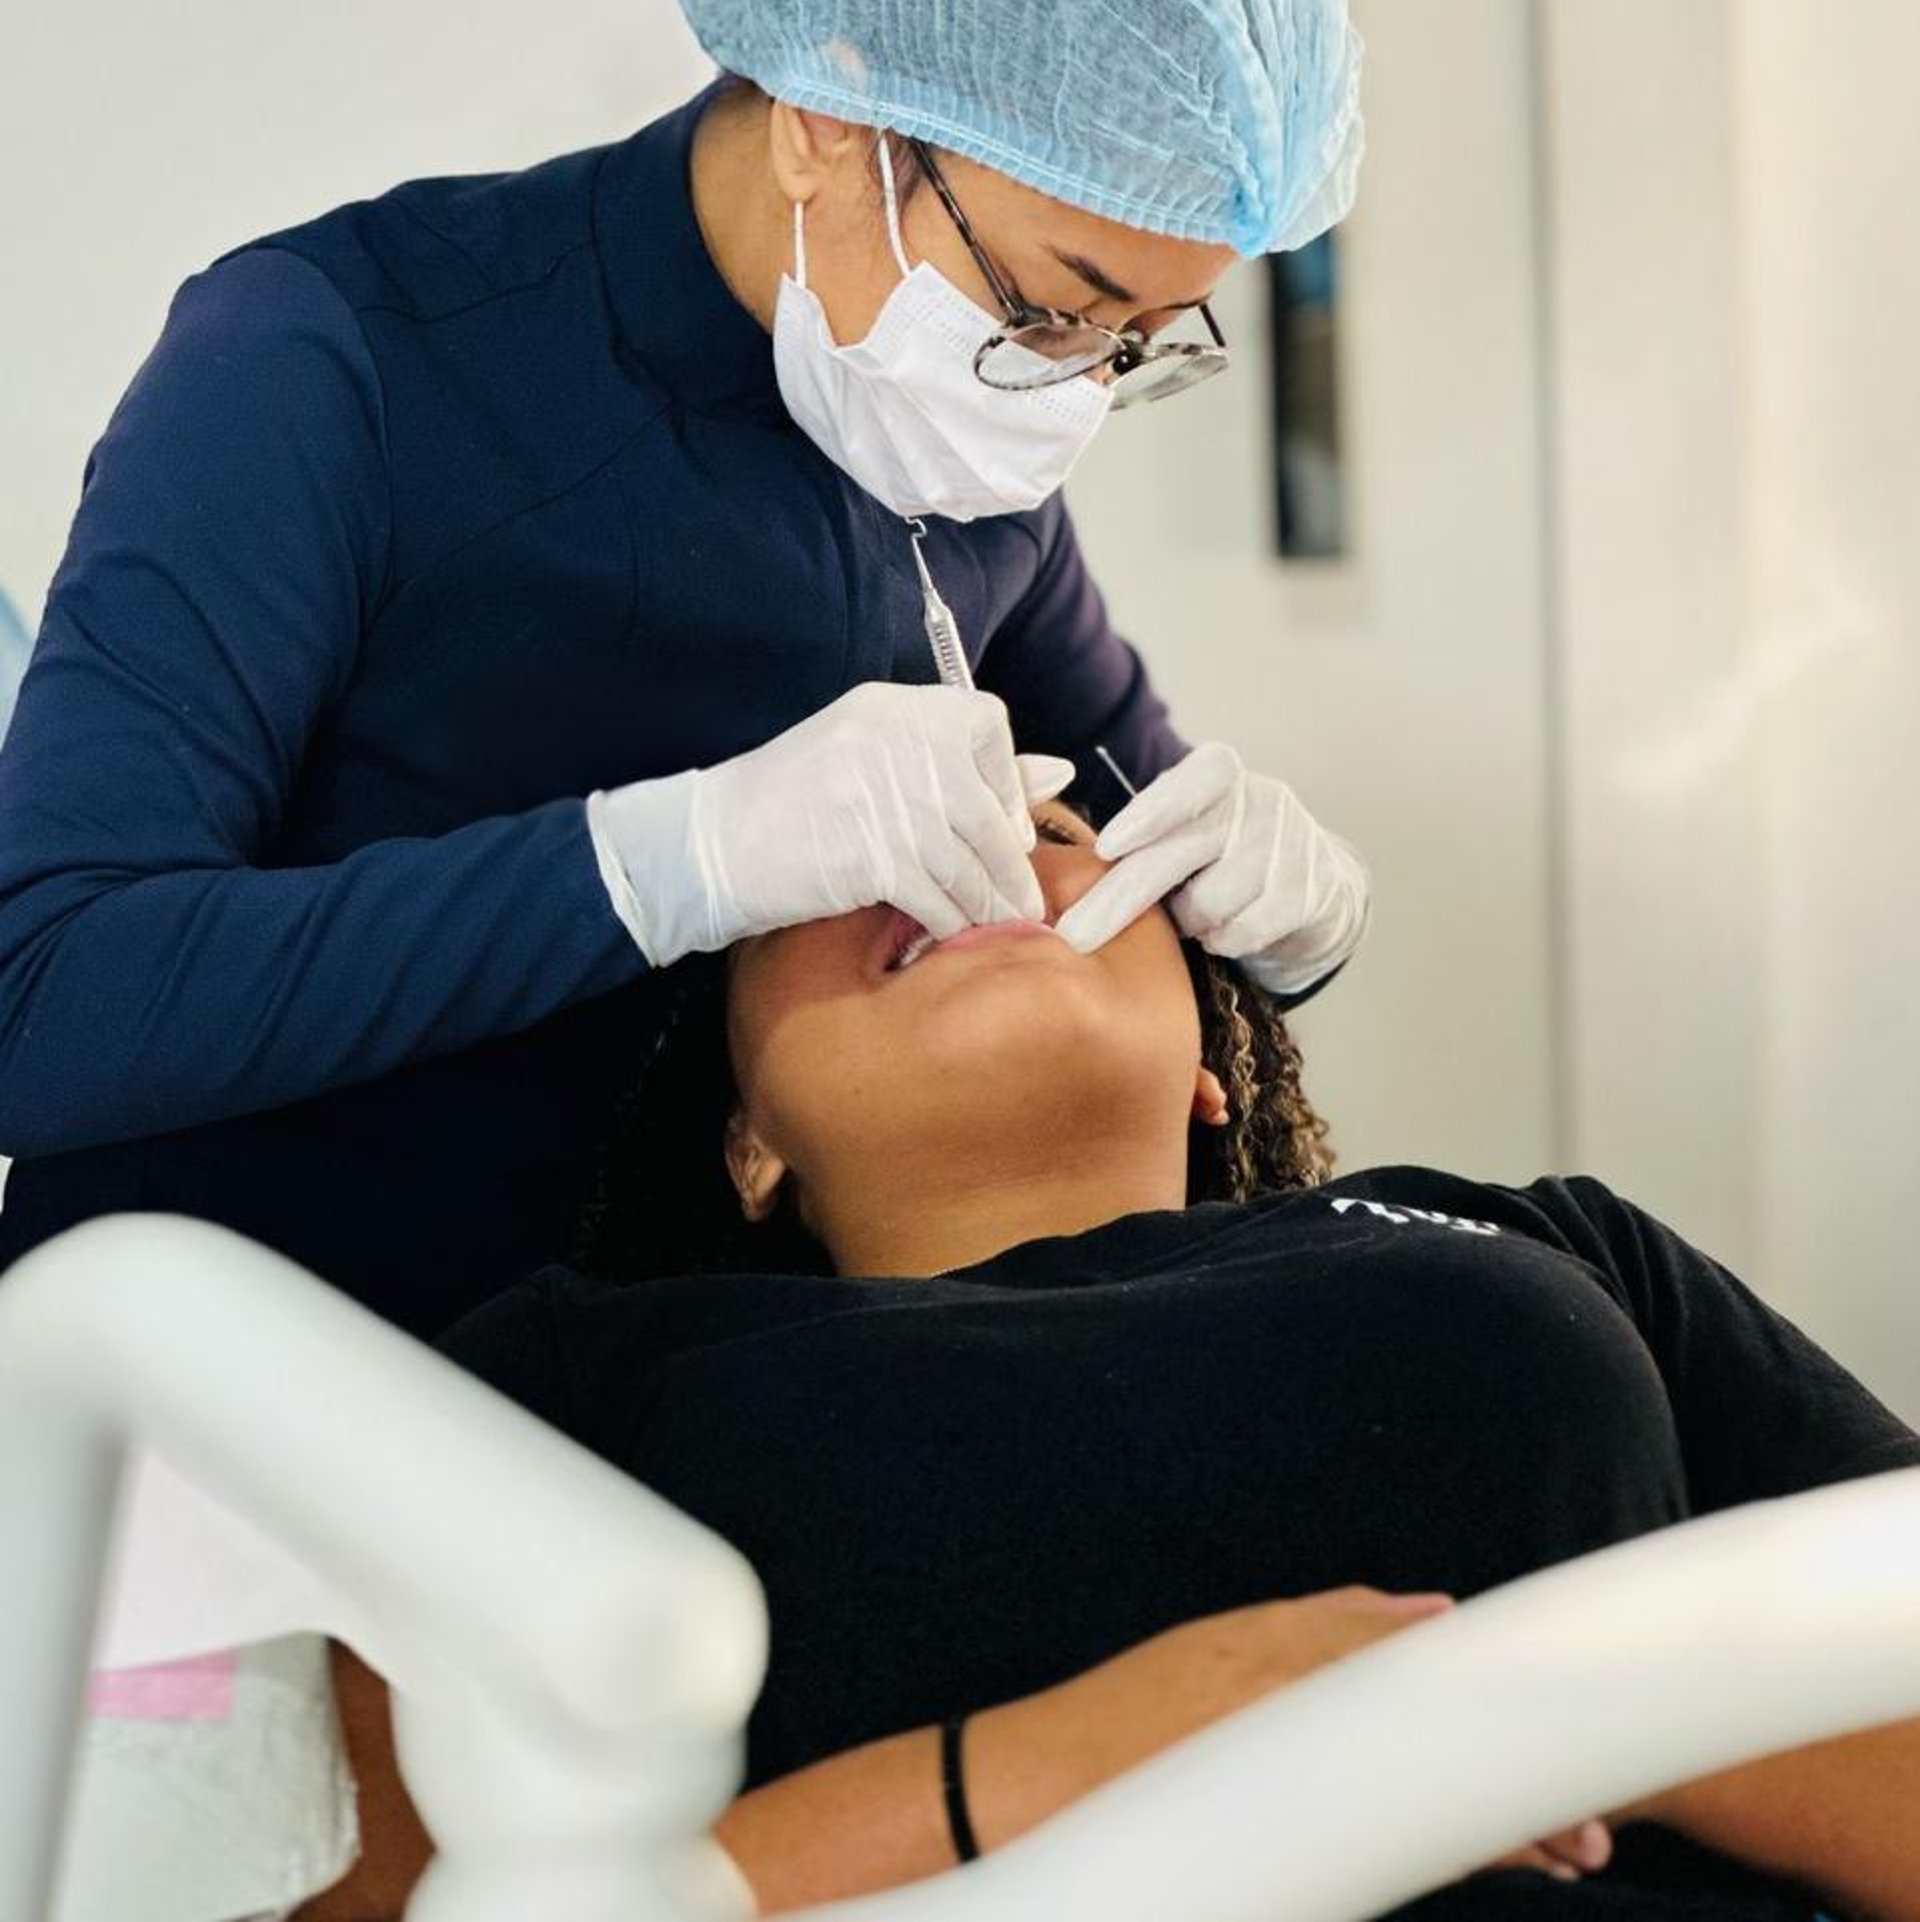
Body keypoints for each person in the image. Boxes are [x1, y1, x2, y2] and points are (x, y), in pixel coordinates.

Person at [0, 0, 1371, 1337]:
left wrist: (1280, 926)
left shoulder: (955, 427)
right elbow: (42, 1004)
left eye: (1145, 341)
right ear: (827, 109)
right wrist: (660, 863)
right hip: (251, 1424)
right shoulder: (327, 358)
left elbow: (1130, 861)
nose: (1072, 388)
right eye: (1056, 305)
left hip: (732, 1433)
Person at [303, 792, 1920, 1921]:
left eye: (1053, 833)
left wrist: (1524, 1709)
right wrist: (1059, 1768)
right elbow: (379, 1906)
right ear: (749, 1141)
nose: (968, 856)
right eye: (852, 850)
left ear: (1216, 1061)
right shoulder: (582, 1368)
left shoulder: (1547, 1237)